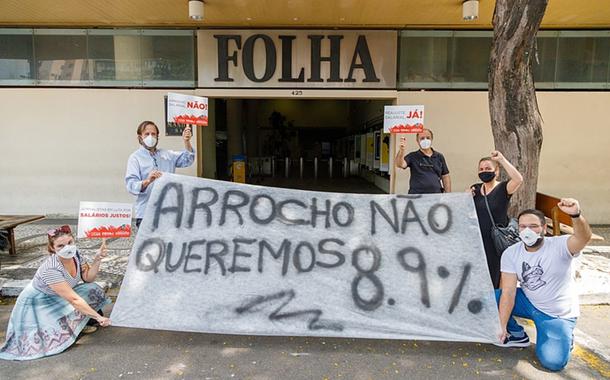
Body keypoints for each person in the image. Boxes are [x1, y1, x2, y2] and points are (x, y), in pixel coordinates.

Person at [495, 199, 591, 372]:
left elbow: (583, 238)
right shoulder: (511, 253)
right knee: (490, 298)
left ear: (544, 229)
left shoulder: (561, 245)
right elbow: (508, 293)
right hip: (528, 302)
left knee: (552, 362)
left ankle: (565, 336)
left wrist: (576, 216)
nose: (527, 231)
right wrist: (501, 326)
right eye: (523, 227)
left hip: (556, 314)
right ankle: (515, 333)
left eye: (533, 226)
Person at [0, 225, 111, 361]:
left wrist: (97, 259)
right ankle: (73, 324)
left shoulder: (76, 255)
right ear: (52, 248)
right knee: (46, 339)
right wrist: (98, 318)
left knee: (92, 288)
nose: (67, 248)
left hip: (58, 296)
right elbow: (73, 299)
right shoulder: (51, 268)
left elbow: (88, 278)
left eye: (69, 243)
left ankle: (79, 324)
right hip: (38, 303)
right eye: (60, 246)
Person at [125, 121, 195, 228]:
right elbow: (131, 185)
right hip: (146, 212)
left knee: (168, 244)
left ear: (158, 136)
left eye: (153, 134)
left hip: (168, 211)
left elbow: (188, 159)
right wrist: (147, 181)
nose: (150, 137)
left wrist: (187, 142)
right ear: (140, 137)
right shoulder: (135, 158)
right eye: (147, 134)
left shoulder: (167, 155)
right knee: (149, 245)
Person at [471, 151, 523, 288]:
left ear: (497, 171)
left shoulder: (503, 188)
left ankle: (496, 301)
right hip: (479, 239)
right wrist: (466, 197)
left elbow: (518, 179)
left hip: (496, 239)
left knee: (496, 272)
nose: (484, 172)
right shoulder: (475, 189)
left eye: (488, 168)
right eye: (481, 169)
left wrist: (502, 159)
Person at [394, 129, 451, 194]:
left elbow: (445, 176)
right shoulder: (412, 156)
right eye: (422, 138)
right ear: (417, 141)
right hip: (416, 196)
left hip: (436, 195)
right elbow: (399, 164)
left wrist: (448, 195)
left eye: (428, 138)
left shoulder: (439, 156)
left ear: (432, 139)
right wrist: (401, 151)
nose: (425, 140)